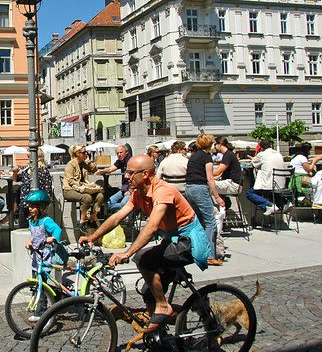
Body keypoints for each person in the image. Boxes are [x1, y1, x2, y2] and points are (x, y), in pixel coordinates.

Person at [80, 155, 210, 335]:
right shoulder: (138, 194)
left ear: (146, 174)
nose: (126, 176)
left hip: (188, 241)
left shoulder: (162, 191)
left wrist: (127, 252)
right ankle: (159, 336)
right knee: (149, 293)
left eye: (131, 173)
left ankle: (165, 306)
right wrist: (93, 237)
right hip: (171, 239)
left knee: (142, 258)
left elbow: (152, 226)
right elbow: (117, 217)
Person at [24, 189, 68, 322]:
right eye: (29, 206)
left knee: (42, 284)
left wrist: (52, 238)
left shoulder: (46, 220)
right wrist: (29, 241)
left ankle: (41, 312)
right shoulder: (32, 221)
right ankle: (37, 304)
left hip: (45, 255)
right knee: (36, 283)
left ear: (41, 207)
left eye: (33, 207)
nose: (30, 209)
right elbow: (33, 234)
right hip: (36, 256)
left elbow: (57, 230)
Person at [183, 134, 224, 266]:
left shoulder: (194, 155)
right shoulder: (206, 157)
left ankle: (196, 252)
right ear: (210, 144)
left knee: (198, 222)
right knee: (210, 222)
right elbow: (210, 178)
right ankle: (209, 255)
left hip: (188, 188)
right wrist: (217, 197)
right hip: (200, 189)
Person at [62, 144, 104, 232]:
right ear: (77, 153)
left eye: (86, 152)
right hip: (69, 190)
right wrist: (85, 185)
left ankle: (92, 217)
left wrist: (89, 162)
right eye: (84, 152)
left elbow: (94, 170)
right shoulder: (71, 164)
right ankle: (82, 221)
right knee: (87, 198)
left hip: (83, 189)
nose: (86, 153)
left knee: (100, 195)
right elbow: (71, 181)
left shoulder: (83, 163)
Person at [246, 140, 287, 216]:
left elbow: (254, 163)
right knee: (270, 193)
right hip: (280, 185)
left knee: (249, 193)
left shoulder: (262, 154)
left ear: (261, 148)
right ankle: (285, 202)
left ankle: (269, 205)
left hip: (269, 185)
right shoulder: (278, 154)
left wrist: (253, 158)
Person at [14, 149, 53, 228]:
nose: (27, 157)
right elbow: (16, 179)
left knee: (35, 228)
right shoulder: (27, 169)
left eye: (29, 156)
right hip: (24, 202)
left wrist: (43, 206)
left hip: (36, 205)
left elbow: (47, 190)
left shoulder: (43, 170)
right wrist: (15, 172)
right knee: (22, 227)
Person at [96, 144, 132, 213]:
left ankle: (127, 217)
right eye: (117, 153)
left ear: (126, 152)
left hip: (131, 189)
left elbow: (135, 178)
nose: (119, 154)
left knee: (123, 204)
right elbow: (111, 168)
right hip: (124, 188)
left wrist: (130, 190)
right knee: (109, 203)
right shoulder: (120, 161)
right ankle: (122, 214)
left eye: (121, 152)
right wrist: (102, 171)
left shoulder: (130, 161)